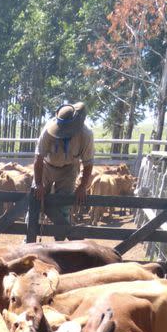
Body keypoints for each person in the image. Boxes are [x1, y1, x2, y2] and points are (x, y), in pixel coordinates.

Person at [33, 102, 95, 238]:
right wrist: (38, 184)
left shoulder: (86, 134)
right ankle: (29, 238)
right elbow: (38, 158)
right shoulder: (48, 130)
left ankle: (60, 242)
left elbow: (88, 163)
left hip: (69, 169)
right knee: (35, 201)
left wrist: (83, 186)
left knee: (64, 206)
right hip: (46, 166)